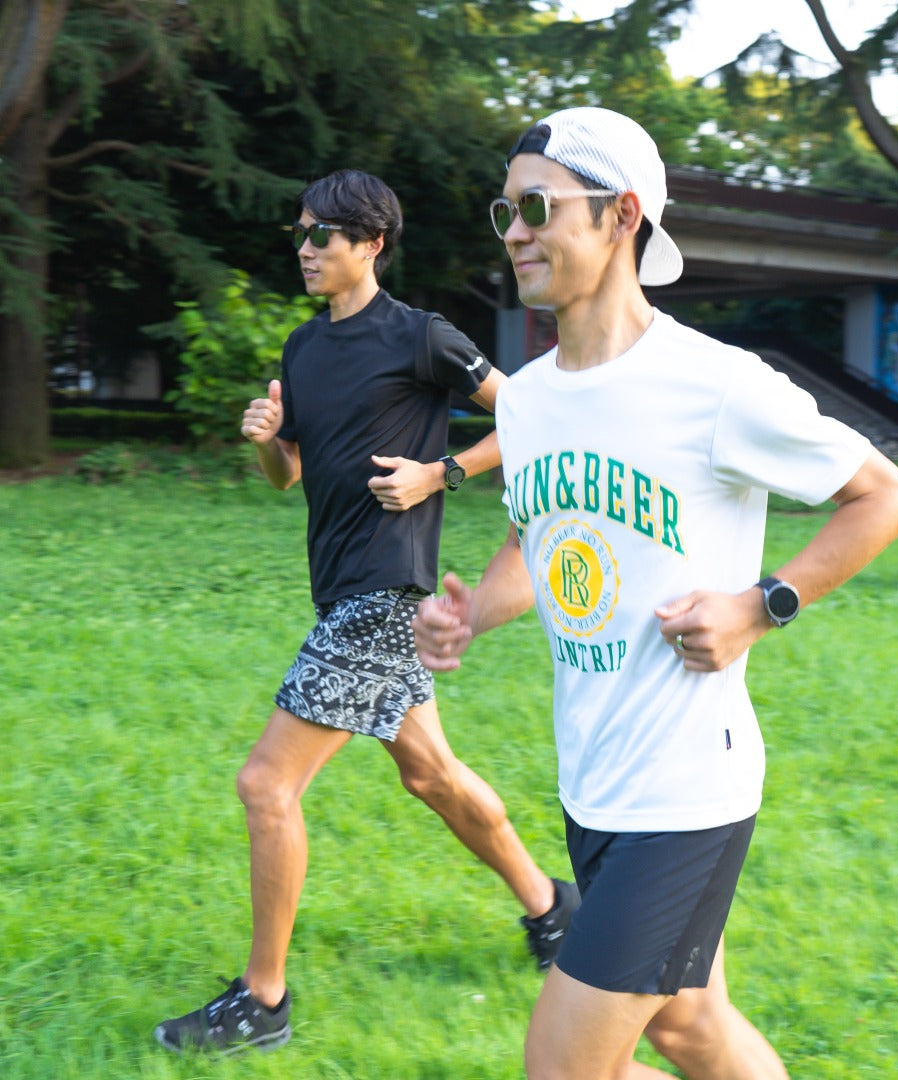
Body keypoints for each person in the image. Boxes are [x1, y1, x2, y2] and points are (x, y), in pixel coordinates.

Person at [411, 107, 898, 1079]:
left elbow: (883, 497)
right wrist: (471, 613)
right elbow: (542, 544)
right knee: (689, 1031)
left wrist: (757, 605)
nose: (514, 230)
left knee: (562, 1066)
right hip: (594, 776)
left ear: (620, 217)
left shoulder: (716, 385)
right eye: (505, 210)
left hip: (687, 787)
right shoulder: (526, 398)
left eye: (536, 206)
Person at [153, 169, 578, 1056]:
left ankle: (262, 1003)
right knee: (431, 775)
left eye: (323, 236)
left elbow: (536, 420)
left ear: (371, 244)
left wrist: (441, 473)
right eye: (302, 234)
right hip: (342, 583)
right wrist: (271, 443)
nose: (306, 249)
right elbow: (293, 475)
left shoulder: (421, 337)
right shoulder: (304, 349)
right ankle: (552, 908)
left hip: (387, 591)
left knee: (266, 785)